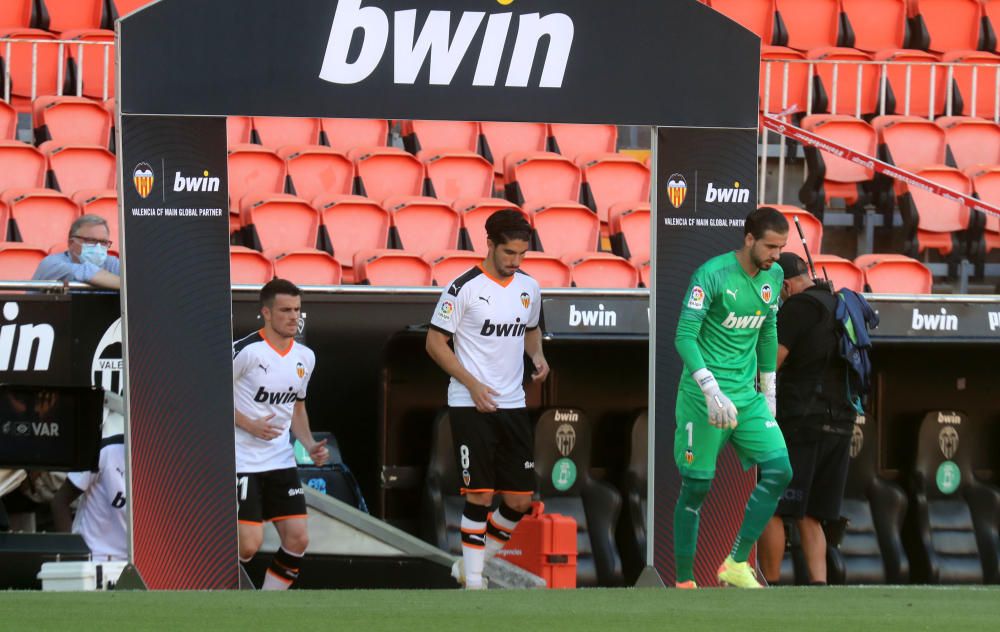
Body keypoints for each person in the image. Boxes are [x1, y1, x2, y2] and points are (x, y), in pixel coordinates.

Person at [425, 209, 549, 590]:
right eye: (509, 253)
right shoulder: (462, 289)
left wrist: (538, 355)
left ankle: (468, 567)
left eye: (522, 255)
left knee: (519, 500)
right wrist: (472, 383)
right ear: (490, 244)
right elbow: (434, 342)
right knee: (479, 493)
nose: (515, 261)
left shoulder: (529, 288)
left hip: (513, 403)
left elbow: (530, 330)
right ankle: (475, 581)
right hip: (470, 402)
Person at [672, 206, 794, 589]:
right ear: (749, 239)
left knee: (780, 470)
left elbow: (768, 329)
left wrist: (769, 389)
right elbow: (684, 337)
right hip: (702, 397)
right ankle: (684, 581)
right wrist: (709, 388)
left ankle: (737, 563)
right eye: (771, 246)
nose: (777, 255)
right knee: (697, 487)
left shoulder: (774, 275)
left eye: (782, 247)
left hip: (747, 396)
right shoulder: (711, 275)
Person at [758, 252, 857, 586]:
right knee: (812, 515)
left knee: (772, 503)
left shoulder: (798, 308)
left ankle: (766, 584)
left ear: (785, 285)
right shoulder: (840, 304)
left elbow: (770, 364)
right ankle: (819, 588)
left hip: (804, 421)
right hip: (843, 420)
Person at [233, 278, 329, 590]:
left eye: (297, 310)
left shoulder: (305, 357)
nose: (293, 316)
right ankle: (210, 598)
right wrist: (248, 424)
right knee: (247, 544)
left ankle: (268, 607)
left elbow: (296, 410)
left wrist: (309, 444)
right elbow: (208, 396)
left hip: (280, 460)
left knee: (298, 538)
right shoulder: (246, 352)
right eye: (285, 310)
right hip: (242, 461)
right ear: (267, 313)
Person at [51, 434, 128, 561]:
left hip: (135, 564)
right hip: (92, 558)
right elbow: (59, 502)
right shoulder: (105, 450)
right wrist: (71, 555)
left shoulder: (166, 463)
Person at [32, 215, 121, 289]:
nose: (98, 247)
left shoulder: (111, 263)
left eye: (103, 242)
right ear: (71, 243)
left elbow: (133, 278)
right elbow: (85, 272)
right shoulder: (51, 264)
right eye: (90, 240)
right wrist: (126, 285)